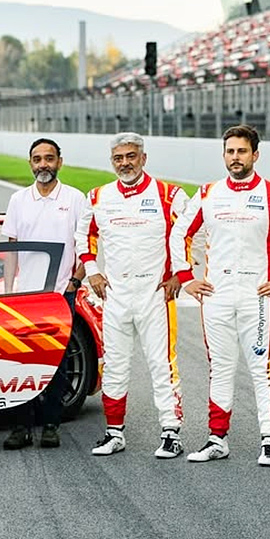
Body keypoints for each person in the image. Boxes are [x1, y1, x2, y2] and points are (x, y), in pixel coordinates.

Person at [169, 124, 270, 466]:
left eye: (241, 151)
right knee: (219, 367)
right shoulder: (208, 193)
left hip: (259, 296)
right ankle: (217, 439)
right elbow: (179, 234)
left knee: (263, 369)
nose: (235, 158)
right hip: (216, 295)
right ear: (223, 155)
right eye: (230, 151)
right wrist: (186, 277)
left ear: (255, 154)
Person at [75, 133, 189, 459]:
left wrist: (179, 274)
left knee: (162, 364)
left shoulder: (170, 195)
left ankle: (171, 431)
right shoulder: (98, 196)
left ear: (143, 158)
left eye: (130, 156)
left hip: (154, 294)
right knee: (114, 365)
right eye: (118, 158)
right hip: (116, 294)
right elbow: (83, 235)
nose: (125, 163)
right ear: (112, 161)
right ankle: (114, 433)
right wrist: (93, 271)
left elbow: (191, 232)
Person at [1, 137, 86, 450]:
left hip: (60, 295)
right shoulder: (18, 200)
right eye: (37, 159)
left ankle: (51, 424)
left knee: (58, 362)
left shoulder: (76, 199)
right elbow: (10, 250)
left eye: (49, 158)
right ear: (30, 164)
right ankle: (20, 426)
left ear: (59, 162)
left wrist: (74, 282)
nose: (43, 165)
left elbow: (86, 248)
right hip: (24, 297)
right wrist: (9, 291)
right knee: (21, 362)